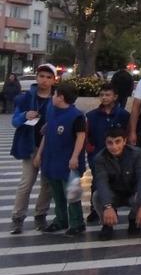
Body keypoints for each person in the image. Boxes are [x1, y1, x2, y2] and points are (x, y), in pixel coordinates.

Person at [34, 82, 87, 236]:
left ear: (61, 97)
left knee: (71, 193)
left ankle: (77, 223)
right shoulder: (52, 111)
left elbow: (80, 137)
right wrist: (39, 154)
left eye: (55, 94)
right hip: (51, 160)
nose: (52, 96)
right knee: (57, 193)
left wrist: (75, 157)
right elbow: (47, 134)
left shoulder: (76, 116)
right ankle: (61, 220)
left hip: (68, 161)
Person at [9, 63, 56, 234]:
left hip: (50, 148)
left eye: (48, 77)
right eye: (41, 76)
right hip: (30, 146)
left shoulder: (57, 98)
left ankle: (40, 215)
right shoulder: (25, 98)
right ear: (37, 78)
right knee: (26, 183)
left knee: (47, 184)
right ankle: (17, 218)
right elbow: (14, 121)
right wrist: (24, 115)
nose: (44, 80)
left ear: (53, 80)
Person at [91, 127, 141, 240]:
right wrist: (108, 206)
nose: (114, 146)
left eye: (117, 141)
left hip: (131, 192)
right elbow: (101, 182)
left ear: (124, 141)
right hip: (113, 194)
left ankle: (133, 219)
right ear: (105, 143)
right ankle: (107, 224)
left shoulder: (136, 153)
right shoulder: (99, 158)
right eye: (110, 143)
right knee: (97, 196)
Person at [84, 83, 131, 223]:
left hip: (118, 155)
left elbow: (127, 132)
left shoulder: (123, 114)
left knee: (115, 181)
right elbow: (87, 134)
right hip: (98, 154)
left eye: (108, 95)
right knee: (97, 182)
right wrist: (90, 148)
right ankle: (95, 209)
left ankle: (113, 207)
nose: (104, 97)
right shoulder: (92, 115)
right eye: (102, 95)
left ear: (115, 97)